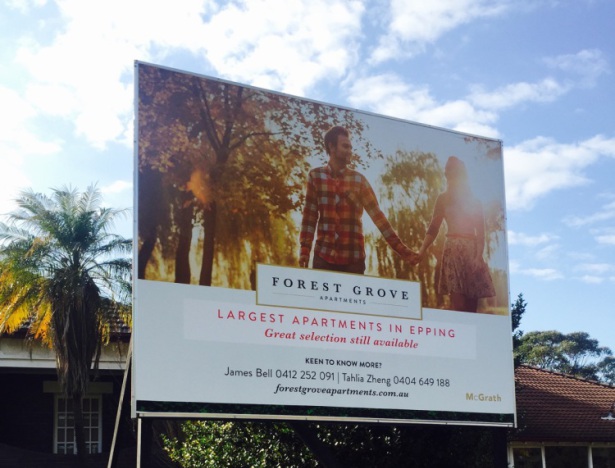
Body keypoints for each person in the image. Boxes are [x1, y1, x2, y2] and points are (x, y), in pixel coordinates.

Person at [299, 126, 417, 274]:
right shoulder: (315, 176)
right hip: (323, 259)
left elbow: (378, 218)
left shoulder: (359, 180)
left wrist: (403, 251)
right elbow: (310, 217)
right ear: (332, 147)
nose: (350, 151)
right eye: (345, 146)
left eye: (350, 147)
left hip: (353, 262)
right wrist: (305, 250)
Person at [415, 156, 495, 312]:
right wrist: (422, 250)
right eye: (446, 172)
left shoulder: (474, 201)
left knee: (471, 306)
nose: (448, 175)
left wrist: (478, 256)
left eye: (451, 171)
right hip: (452, 252)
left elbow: (481, 231)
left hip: (471, 252)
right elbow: (433, 228)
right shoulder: (443, 199)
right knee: (458, 304)